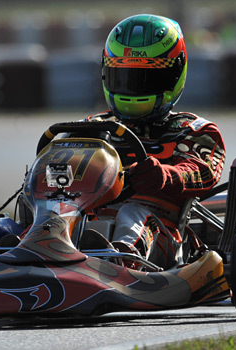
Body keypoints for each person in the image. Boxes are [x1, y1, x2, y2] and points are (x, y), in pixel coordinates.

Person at [81, 14, 226, 270]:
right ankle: (22, 252)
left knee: (132, 213)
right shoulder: (91, 127)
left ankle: (120, 262)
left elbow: (203, 171)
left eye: (145, 79)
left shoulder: (192, 130)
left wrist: (166, 175)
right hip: (88, 220)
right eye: (123, 77)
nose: (132, 88)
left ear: (173, 74)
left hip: (163, 234)